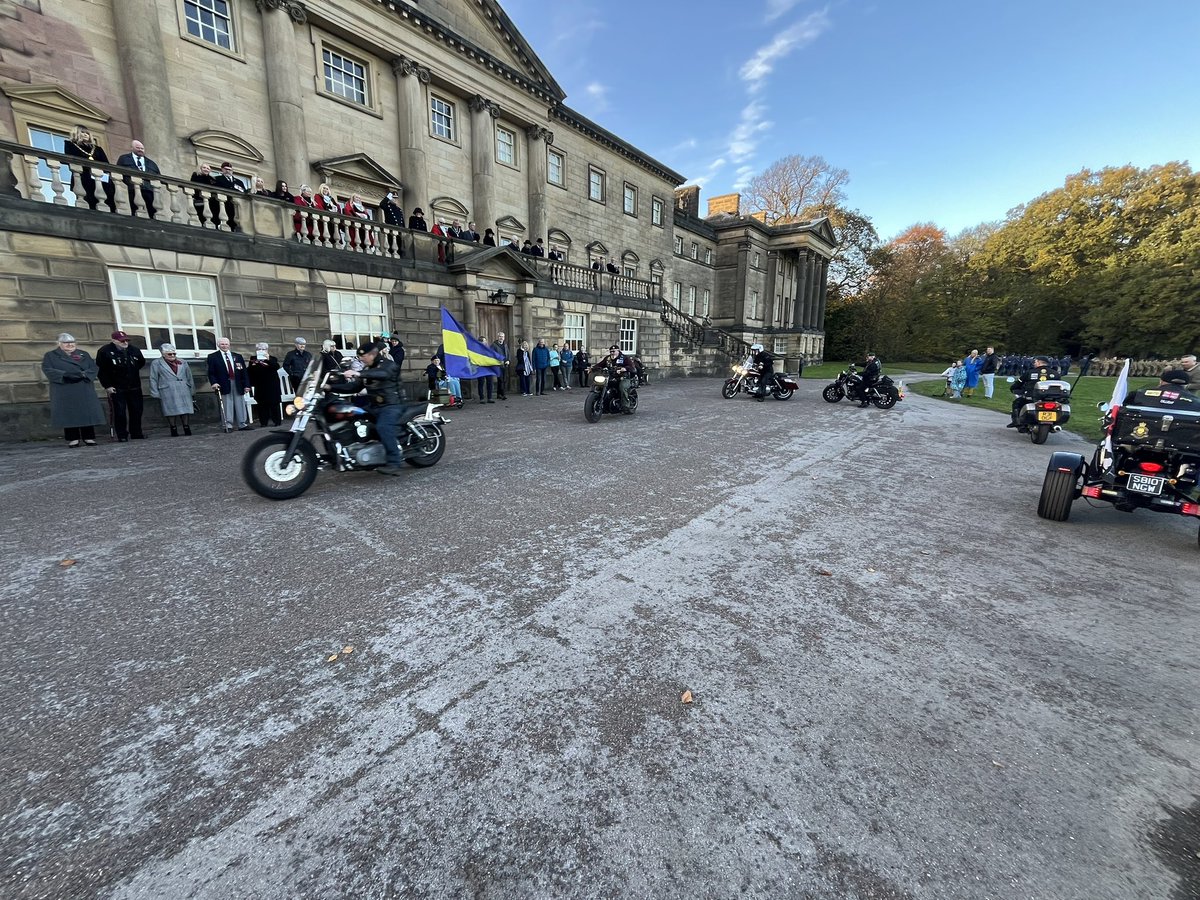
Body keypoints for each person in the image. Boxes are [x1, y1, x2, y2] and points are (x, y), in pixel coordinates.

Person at [41, 333, 106, 446]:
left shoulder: (83, 354)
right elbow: (48, 369)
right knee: (69, 413)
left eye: (72, 342)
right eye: (66, 343)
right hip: (65, 389)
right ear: (59, 344)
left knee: (87, 412)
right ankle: (73, 438)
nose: (70, 344)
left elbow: (94, 367)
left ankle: (88, 437)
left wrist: (84, 375)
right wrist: (65, 375)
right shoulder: (51, 356)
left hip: (83, 387)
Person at [353, 341, 406, 476]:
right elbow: (354, 387)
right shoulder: (367, 370)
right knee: (354, 416)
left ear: (373, 354)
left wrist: (358, 373)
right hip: (375, 406)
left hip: (392, 405)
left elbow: (383, 374)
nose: (361, 359)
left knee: (383, 426)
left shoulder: (388, 365)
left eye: (363, 356)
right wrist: (329, 387)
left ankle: (394, 462)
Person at [96, 329, 146, 440]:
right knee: (120, 412)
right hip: (117, 387)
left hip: (134, 386)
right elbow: (102, 371)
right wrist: (107, 386)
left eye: (126, 340)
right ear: (114, 340)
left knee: (137, 410)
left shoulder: (134, 350)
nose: (125, 343)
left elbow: (141, 363)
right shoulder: (105, 351)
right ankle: (122, 434)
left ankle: (136, 432)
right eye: (122, 341)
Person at [63, 125, 116, 212]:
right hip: (84, 177)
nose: (85, 135)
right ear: (76, 133)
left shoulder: (97, 149)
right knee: (88, 201)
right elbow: (70, 160)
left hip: (100, 178)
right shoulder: (70, 145)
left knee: (107, 201)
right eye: (82, 132)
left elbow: (106, 164)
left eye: (87, 133)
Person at [148, 343, 195, 436]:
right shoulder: (157, 363)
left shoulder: (182, 362)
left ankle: (186, 427)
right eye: (170, 354)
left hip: (183, 387)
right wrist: (155, 392)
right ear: (163, 354)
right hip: (167, 389)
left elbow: (189, 376)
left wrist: (192, 389)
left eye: (174, 354)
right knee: (170, 410)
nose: (173, 356)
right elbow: (153, 378)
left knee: (185, 409)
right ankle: (173, 428)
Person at [206, 337, 251, 431]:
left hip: (238, 382)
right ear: (218, 345)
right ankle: (228, 425)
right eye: (222, 344)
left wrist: (247, 385)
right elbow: (211, 372)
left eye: (226, 344)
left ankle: (242, 424)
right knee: (227, 404)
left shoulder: (237, 356)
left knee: (240, 403)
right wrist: (214, 383)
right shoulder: (213, 357)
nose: (224, 346)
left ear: (229, 345)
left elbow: (244, 372)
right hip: (223, 383)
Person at [115, 139, 161, 218]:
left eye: (142, 148)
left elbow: (158, 177)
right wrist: (129, 182)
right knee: (136, 211)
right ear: (132, 148)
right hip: (133, 188)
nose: (140, 150)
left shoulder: (151, 163)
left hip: (149, 190)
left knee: (153, 212)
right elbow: (119, 172)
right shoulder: (124, 159)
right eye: (137, 147)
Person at [1006, 356, 1056, 427]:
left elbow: (1019, 383)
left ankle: (1016, 421)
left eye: (1035, 362)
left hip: (1031, 397)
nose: (1034, 363)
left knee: (1016, 403)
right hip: (1050, 398)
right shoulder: (1055, 373)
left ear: (1039, 362)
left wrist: (1013, 388)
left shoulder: (1030, 372)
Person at [247, 341, 283, 426]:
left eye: (263, 349)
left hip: (272, 385)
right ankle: (263, 422)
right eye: (259, 349)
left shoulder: (272, 358)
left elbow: (276, 367)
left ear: (267, 350)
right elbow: (250, 371)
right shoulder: (253, 359)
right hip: (260, 385)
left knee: (274, 404)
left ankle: (277, 422)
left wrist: (268, 359)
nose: (261, 350)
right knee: (262, 404)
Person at [594, 344, 634, 412]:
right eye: (611, 351)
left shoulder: (624, 358)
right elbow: (600, 364)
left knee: (622, 387)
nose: (612, 353)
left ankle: (626, 405)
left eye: (614, 351)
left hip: (624, 377)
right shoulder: (608, 358)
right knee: (601, 385)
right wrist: (592, 368)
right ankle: (604, 403)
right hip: (611, 377)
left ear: (618, 351)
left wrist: (625, 368)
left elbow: (632, 367)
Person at [211, 162, 249, 231]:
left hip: (235, 205)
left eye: (230, 169)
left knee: (235, 223)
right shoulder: (217, 179)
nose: (228, 171)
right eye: (226, 169)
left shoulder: (239, 182)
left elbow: (243, 193)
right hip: (222, 204)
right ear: (222, 169)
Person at [475, 333, 495, 403]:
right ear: (481, 342)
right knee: (481, 383)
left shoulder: (488, 349)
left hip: (489, 368)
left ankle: (489, 398)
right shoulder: (476, 350)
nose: (485, 342)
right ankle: (481, 398)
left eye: (485, 341)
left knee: (490, 383)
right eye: (484, 341)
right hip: (480, 368)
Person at [491, 332, 510, 400]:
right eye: (500, 336)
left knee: (504, 380)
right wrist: (497, 361)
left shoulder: (505, 344)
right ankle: (503, 394)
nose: (501, 338)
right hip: (498, 365)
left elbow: (508, 353)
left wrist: (508, 360)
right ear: (497, 337)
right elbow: (492, 354)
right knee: (501, 380)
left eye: (502, 336)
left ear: (504, 338)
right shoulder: (494, 345)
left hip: (505, 365)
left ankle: (498, 394)